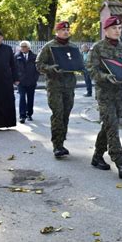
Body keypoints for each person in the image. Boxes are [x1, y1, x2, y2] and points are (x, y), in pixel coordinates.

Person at [86, 16, 122, 179]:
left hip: (119, 93)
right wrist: (106, 77)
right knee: (112, 126)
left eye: (119, 28)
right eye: (114, 28)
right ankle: (120, 162)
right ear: (106, 30)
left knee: (108, 126)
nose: (117, 31)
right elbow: (92, 70)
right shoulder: (97, 48)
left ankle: (97, 156)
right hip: (105, 93)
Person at [36, 21, 78, 158]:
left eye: (68, 29)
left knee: (66, 114)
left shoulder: (72, 47)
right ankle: (57, 145)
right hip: (55, 86)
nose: (66, 31)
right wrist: (50, 69)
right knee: (58, 114)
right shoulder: (49, 46)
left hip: (69, 85)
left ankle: (62, 141)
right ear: (57, 31)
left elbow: (77, 62)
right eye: (63, 29)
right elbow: (39, 64)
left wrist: (79, 67)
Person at [15, 41, 40, 123]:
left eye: (24, 46)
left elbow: (38, 69)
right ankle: (22, 116)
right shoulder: (16, 56)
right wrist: (15, 79)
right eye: (21, 46)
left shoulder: (34, 57)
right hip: (21, 82)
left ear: (28, 47)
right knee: (22, 97)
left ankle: (29, 114)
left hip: (31, 81)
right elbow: (13, 69)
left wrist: (35, 79)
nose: (22, 48)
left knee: (30, 98)